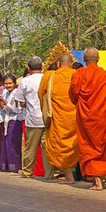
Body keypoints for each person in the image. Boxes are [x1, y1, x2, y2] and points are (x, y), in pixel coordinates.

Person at [70, 48, 106, 190]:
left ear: (84, 60)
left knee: (88, 145)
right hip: (102, 116)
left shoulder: (79, 74)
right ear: (98, 59)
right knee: (101, 145)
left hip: (85, 116)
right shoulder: (105, 75)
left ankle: (96, 180)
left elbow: (74, 94)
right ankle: (101, 178)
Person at [40, 53, 79, 183]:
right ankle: (89, 176)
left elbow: (41, 95)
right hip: (75, 117)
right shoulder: (76, 74)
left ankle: (69, 176)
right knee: (77, 145)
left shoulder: (49, 76)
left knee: (60, 145)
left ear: (58, 64)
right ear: (72, 64)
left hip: (58, 118)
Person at [14, 57, 46, 178]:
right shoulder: (47, 78)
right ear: (42, 67)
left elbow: (21, 102)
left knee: (30, 147)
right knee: (46, 147)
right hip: (47, 118)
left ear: (28, 68)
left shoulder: (25, 81)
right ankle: (49, 173)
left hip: (33, 118)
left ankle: (27, 171)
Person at [0, 74, 24, 173]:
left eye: (10, 83)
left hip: (15, 120)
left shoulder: (16, 93)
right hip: (7, 120)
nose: (8, 85)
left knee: (13, 144)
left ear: (14, 83)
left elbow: (16, 109)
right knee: (7, 144)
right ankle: (7, 166)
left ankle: (15, 166)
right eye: (6, 83)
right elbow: (6, 109)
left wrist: (4, 102)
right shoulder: (5, 93)